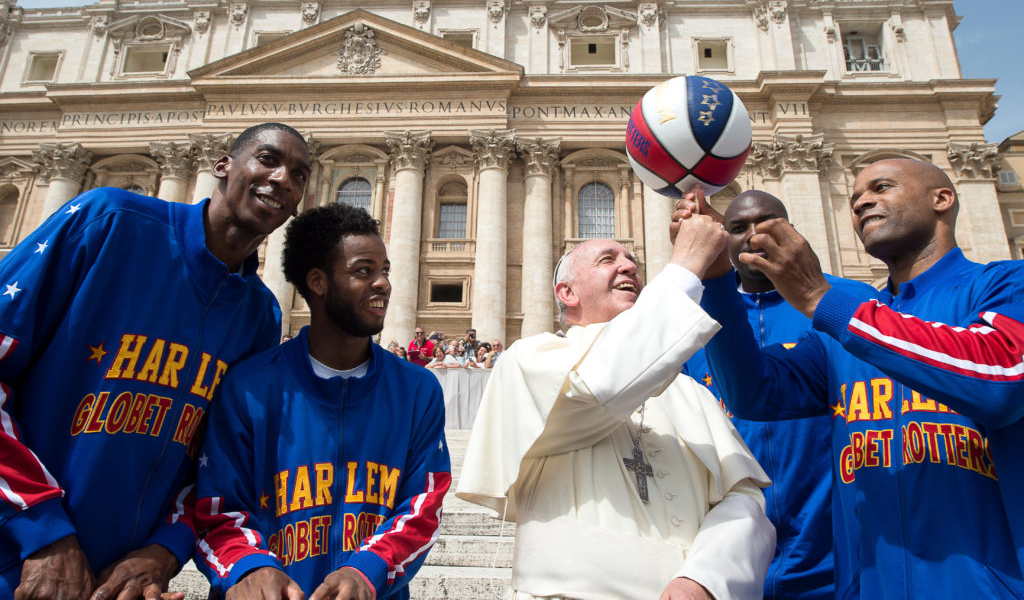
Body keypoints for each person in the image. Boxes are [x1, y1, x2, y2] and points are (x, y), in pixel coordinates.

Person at [0, 123, 311, 599]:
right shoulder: (109, 221)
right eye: (268, 159)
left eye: (300, 174)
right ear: (223, 165)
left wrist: (164, 551)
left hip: (120, 584)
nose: (284, 179)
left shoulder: (260, 315)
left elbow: (220, 459)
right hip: (17, 556)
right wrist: (41, 531)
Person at [690, 159, 1024, 596]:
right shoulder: (845, 330)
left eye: (881, 187)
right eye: (854, 199)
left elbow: (999, 380)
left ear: (941, 199)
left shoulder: (1004, 284)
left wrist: (817, 297)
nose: (863, 201)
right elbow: (754, 393)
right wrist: (716, 281)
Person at [457, 214, 775, 599]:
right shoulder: (528, 359)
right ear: (567, 293)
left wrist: (705, 578)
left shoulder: (691, 392)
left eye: (632, 262)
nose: (629, 266)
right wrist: (688, 264)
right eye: (608, 260)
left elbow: (744, 499)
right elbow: (600, 387)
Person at [193, 203, 450, 598]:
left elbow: (422, 507)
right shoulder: (248, 386)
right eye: (364, 271)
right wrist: (249, 566)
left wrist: (368, 570)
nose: (383, 283)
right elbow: (217, 508)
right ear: (317, 282)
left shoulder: (418, 390)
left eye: (385, 271)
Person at [681, 191, 834, 599]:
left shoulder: (842, 307)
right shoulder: (690, 320)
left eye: (767, 223)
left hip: (832, 556)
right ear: (722, 239)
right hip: (721, 561)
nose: (753, 236)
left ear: (793, 230)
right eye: (737, 228)